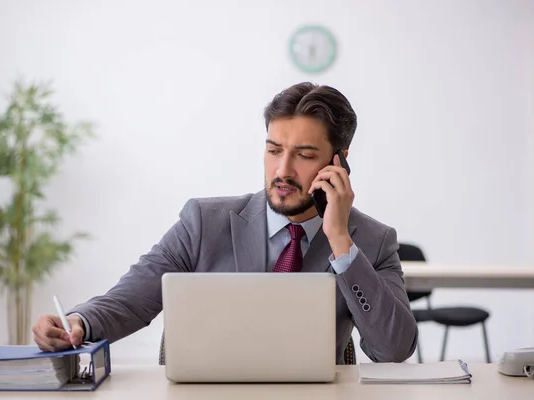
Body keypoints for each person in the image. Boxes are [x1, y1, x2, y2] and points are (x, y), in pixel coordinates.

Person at [32, 82, 418, 364]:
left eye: (303, 154)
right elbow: (131, 299)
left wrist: (338, 239)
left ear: (339, 160)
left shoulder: (372, 240)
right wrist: (78, 321)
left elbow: (394, 348)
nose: (282, 171)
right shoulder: (203, 222)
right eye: (273, 150)